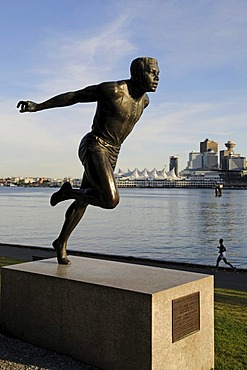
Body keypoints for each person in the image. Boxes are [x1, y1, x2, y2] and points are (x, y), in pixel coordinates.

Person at [17, 57, 160, 265]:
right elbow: (75, 96)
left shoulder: (144, 102)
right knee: (110, 200)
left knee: (84, 200)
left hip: (113, 152)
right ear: (137, 74)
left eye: (158, 74)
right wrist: (38, 106)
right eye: (152, 73)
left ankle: (61, 243)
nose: (157, 78)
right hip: (95, 145)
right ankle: (67, 193)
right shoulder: (113, 91)